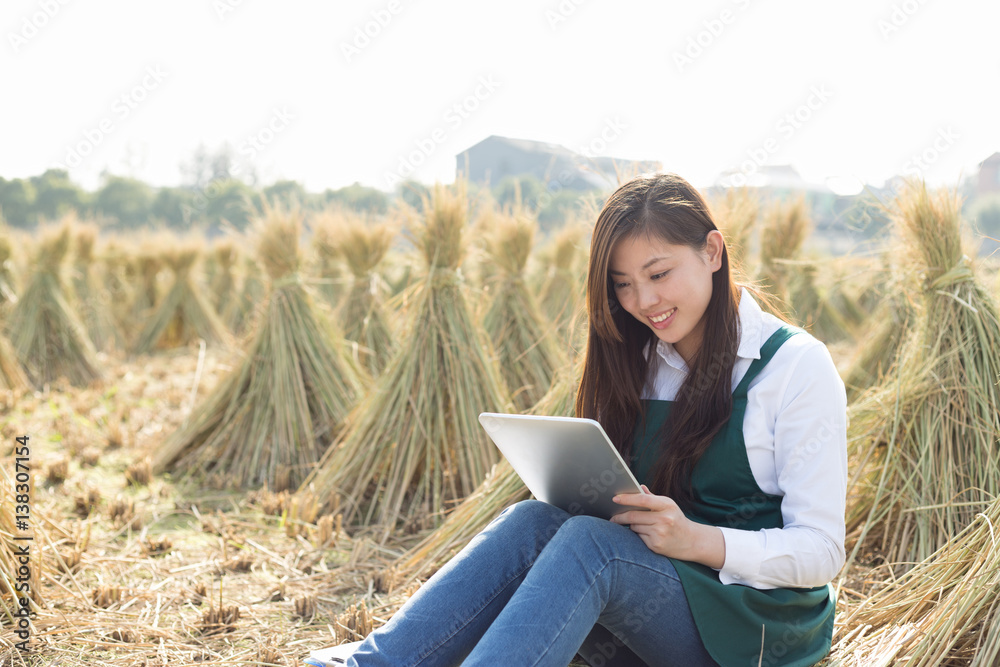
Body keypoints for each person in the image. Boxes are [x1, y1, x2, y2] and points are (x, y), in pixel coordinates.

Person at [317, 173, 847, 667]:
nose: (644, 302)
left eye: (659, 274)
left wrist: (695, 540)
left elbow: (822, 552)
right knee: (534, 521)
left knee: (591, 548)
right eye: (622, 285)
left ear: (711, 251)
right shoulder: (640, 360)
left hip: (757, 623)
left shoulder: (795, 366)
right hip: (661, 589)